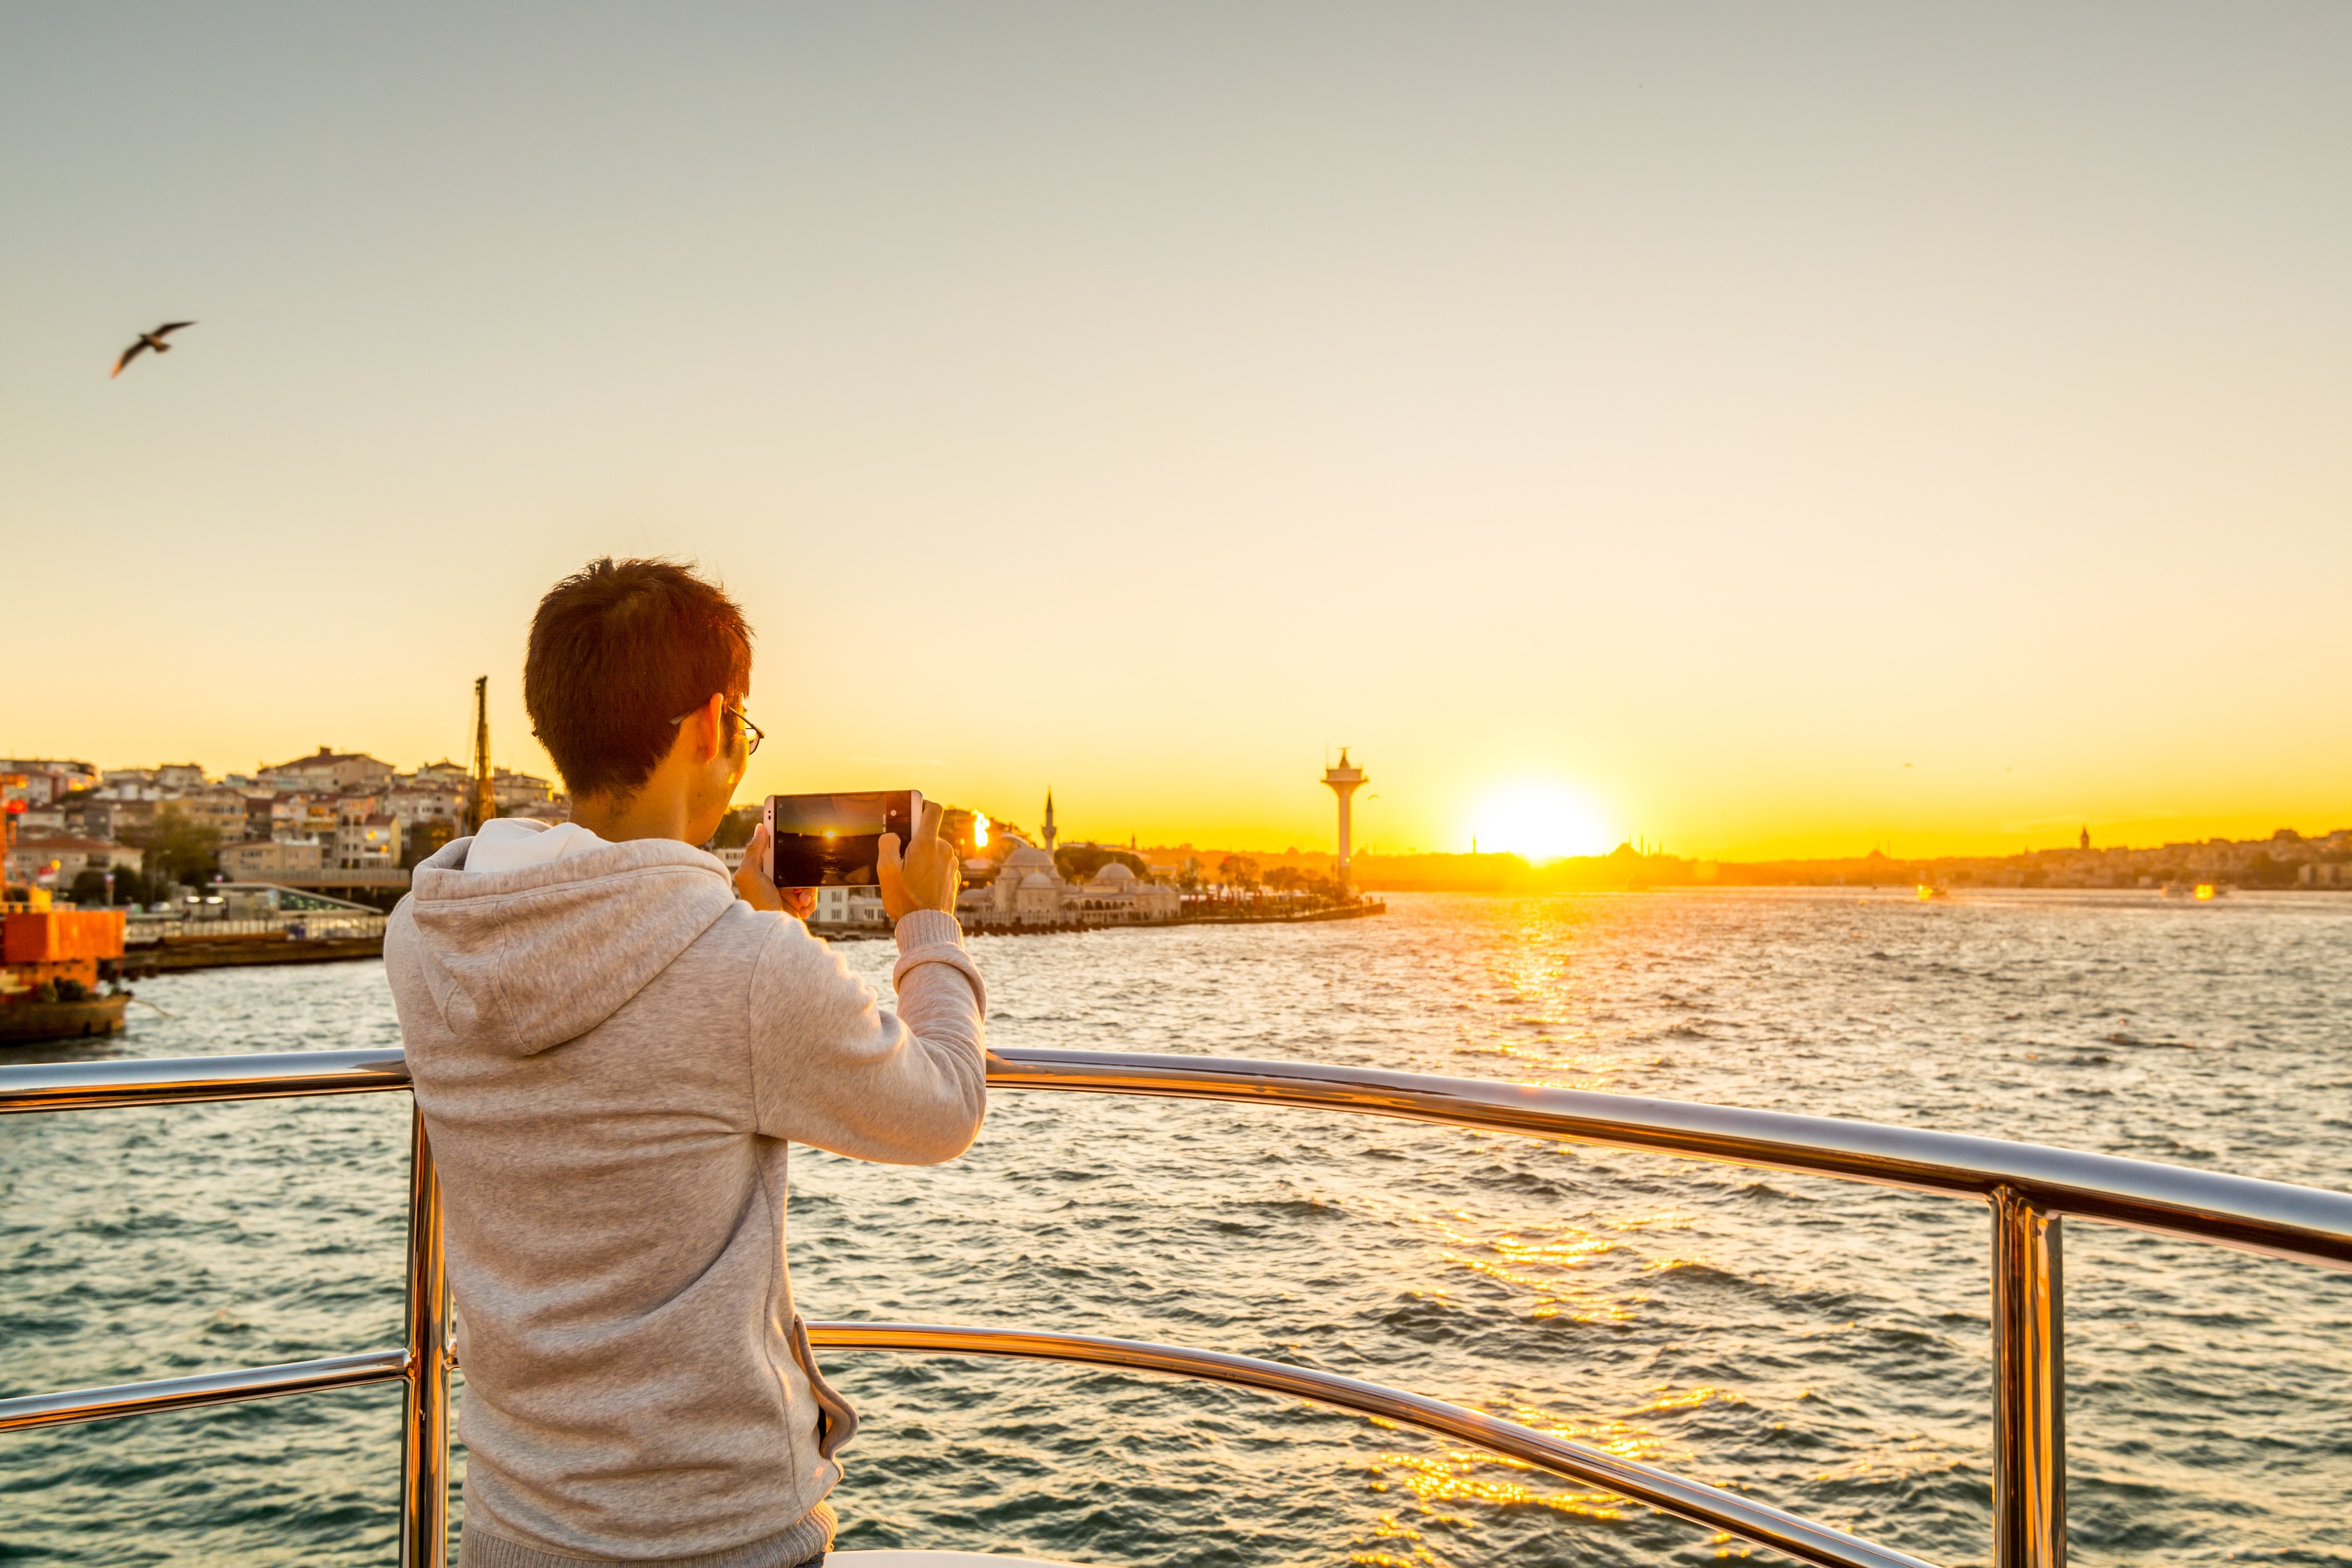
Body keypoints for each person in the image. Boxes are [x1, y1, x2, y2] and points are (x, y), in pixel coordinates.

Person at [386, 557, 986, 1568]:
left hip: (515, 1524)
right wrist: (928, 924)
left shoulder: (426, 931)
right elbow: (944, 1107)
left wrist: (737, 918)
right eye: (742, 733)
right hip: (717, 1534)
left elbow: (617, 952)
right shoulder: (747, 967)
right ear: (711, 725)